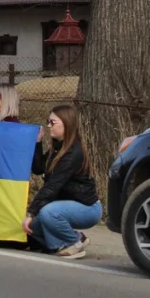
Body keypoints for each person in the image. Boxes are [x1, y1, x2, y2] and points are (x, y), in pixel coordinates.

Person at [23, 104, 101, 259]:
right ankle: (72, 239)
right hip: (64, 204)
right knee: (32, 228)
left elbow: (52, 187)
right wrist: (38, 143)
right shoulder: (58, 148)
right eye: (48, 121)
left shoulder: (72, 153)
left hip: (87, 208)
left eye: (52, 122)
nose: (48, 125)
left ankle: (72, 242)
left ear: (66, 123)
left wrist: (31, 212)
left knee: (48, 213)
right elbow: (38, 169)